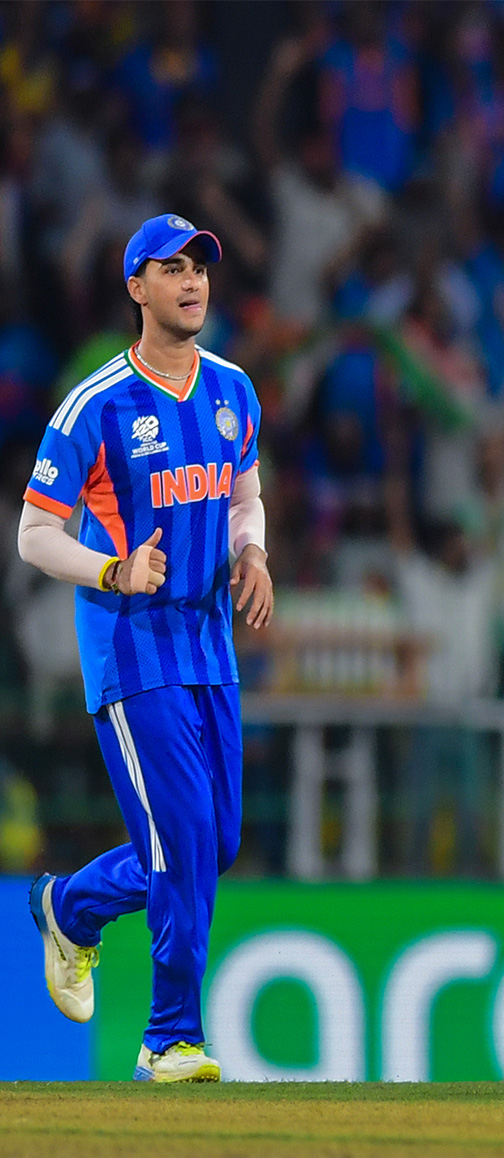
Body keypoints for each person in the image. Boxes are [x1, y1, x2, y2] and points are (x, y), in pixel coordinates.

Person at [21, 214, 272, 1083]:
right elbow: (33, 535)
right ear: (136, 288)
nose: (192, 280)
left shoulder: (233, 389)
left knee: (213, 844)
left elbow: (244, 495)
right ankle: (169, 1038)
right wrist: (113, 570)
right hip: (132, 652)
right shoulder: (95, 405)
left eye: (199, 265)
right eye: (170, 268)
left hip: (209, 646)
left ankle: (70, 907)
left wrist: (253, 553)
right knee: (182, 843)